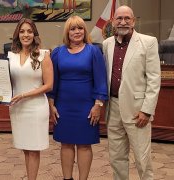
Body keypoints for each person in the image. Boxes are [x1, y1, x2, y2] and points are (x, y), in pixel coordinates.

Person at [102, 6, 161, 180]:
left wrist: (147, 110)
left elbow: (154, 79)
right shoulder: (107, 44)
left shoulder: (148, 42)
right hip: (112, 109)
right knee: (117, 158)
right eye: (119, 18)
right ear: (113, 21)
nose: (123, 22)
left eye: (127, 18)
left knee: (142, 159)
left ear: (134, 21)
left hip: (138, 111)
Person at [47, 16, 108, 180]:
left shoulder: (93, 51)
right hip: (63, 107)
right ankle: (67, 178)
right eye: (73, 28)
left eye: (80, 28)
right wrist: (51, 105)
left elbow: (101, 80)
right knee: (65, 144)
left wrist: (98, 105)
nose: (77, 32)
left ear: (85, 31)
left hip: (87, 107)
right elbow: (53, 81)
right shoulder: (58, 52)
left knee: (84, 145)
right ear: (67, 32)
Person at [8, 18, 53, 180]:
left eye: (29, 31)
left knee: (34, 149)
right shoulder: (10, 56)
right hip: (17, 108)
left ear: (34, 34)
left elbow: (48, 85)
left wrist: (24, 95)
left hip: (35, 108)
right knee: (26, 149)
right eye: (22, 31)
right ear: (17, 34)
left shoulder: (43, 55)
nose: (25, 35)